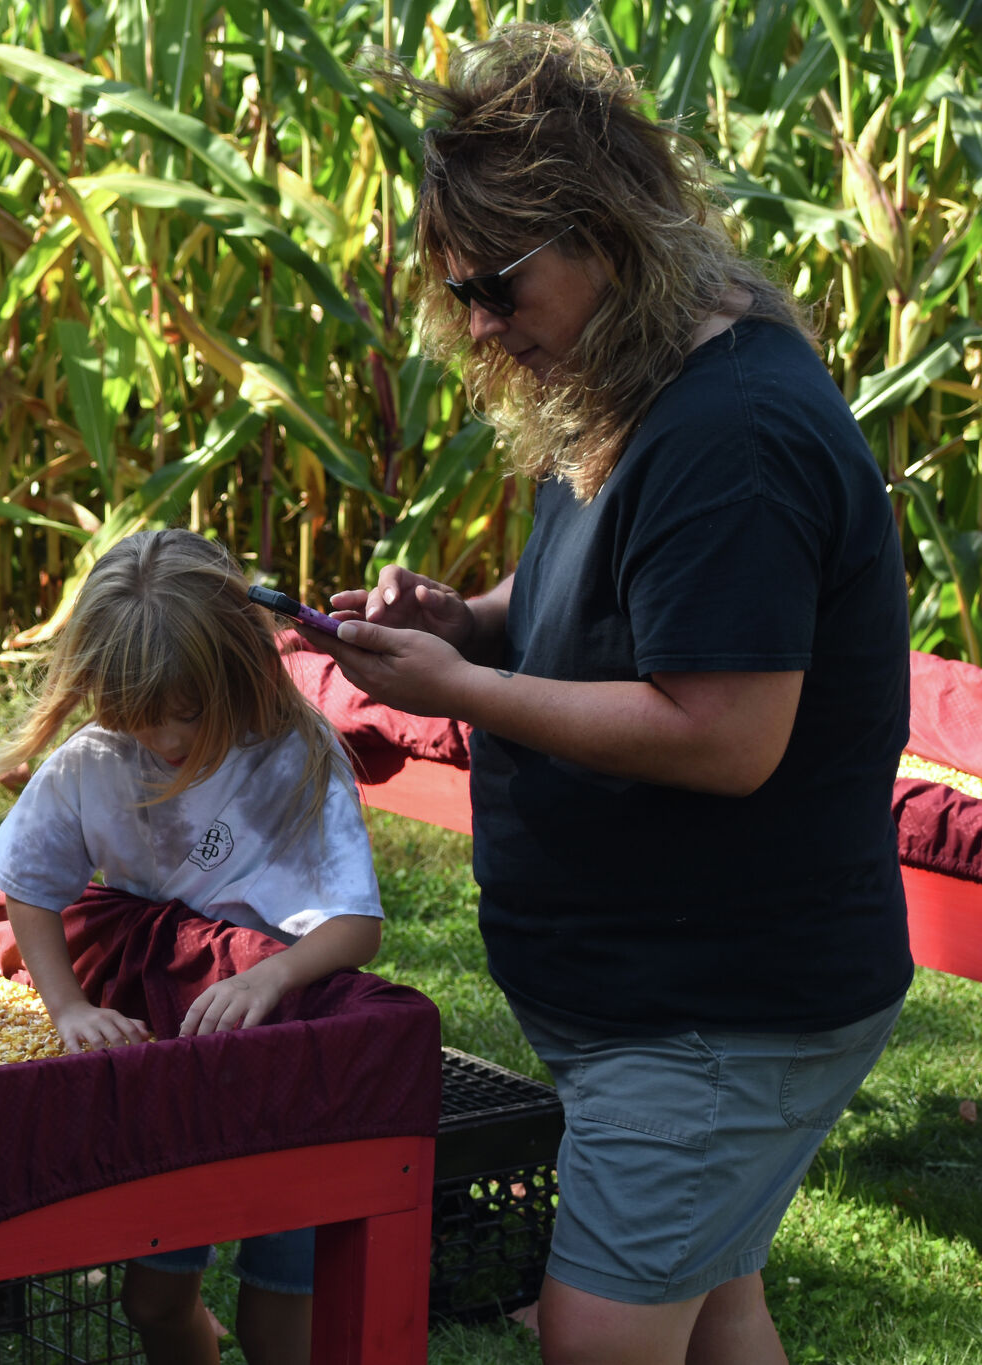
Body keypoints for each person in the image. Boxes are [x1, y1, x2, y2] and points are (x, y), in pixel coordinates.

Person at [312, 24, 912, 1365]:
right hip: (668, 994)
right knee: (718, 1306)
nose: (476, 323)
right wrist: (463, 619)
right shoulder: (623, 381)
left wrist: (465, 686)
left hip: (724, 1007)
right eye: (457, 290)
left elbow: (726, 733)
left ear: (601, 233)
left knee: (598, 1332)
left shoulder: (730, 432)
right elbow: (620, 606)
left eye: (497, 286)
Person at [0, 528, 385, 1365]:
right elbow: (27, 880)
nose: (163, 740)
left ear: (234, 670)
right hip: (171, 1066)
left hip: (283, 1073)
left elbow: (357, 926)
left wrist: (275, 972)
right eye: (136, 716)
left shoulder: (291, 756)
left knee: (282, 1322)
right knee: (155, 1299)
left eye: (189, 714)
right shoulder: (95, 759)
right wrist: (70, 1006)